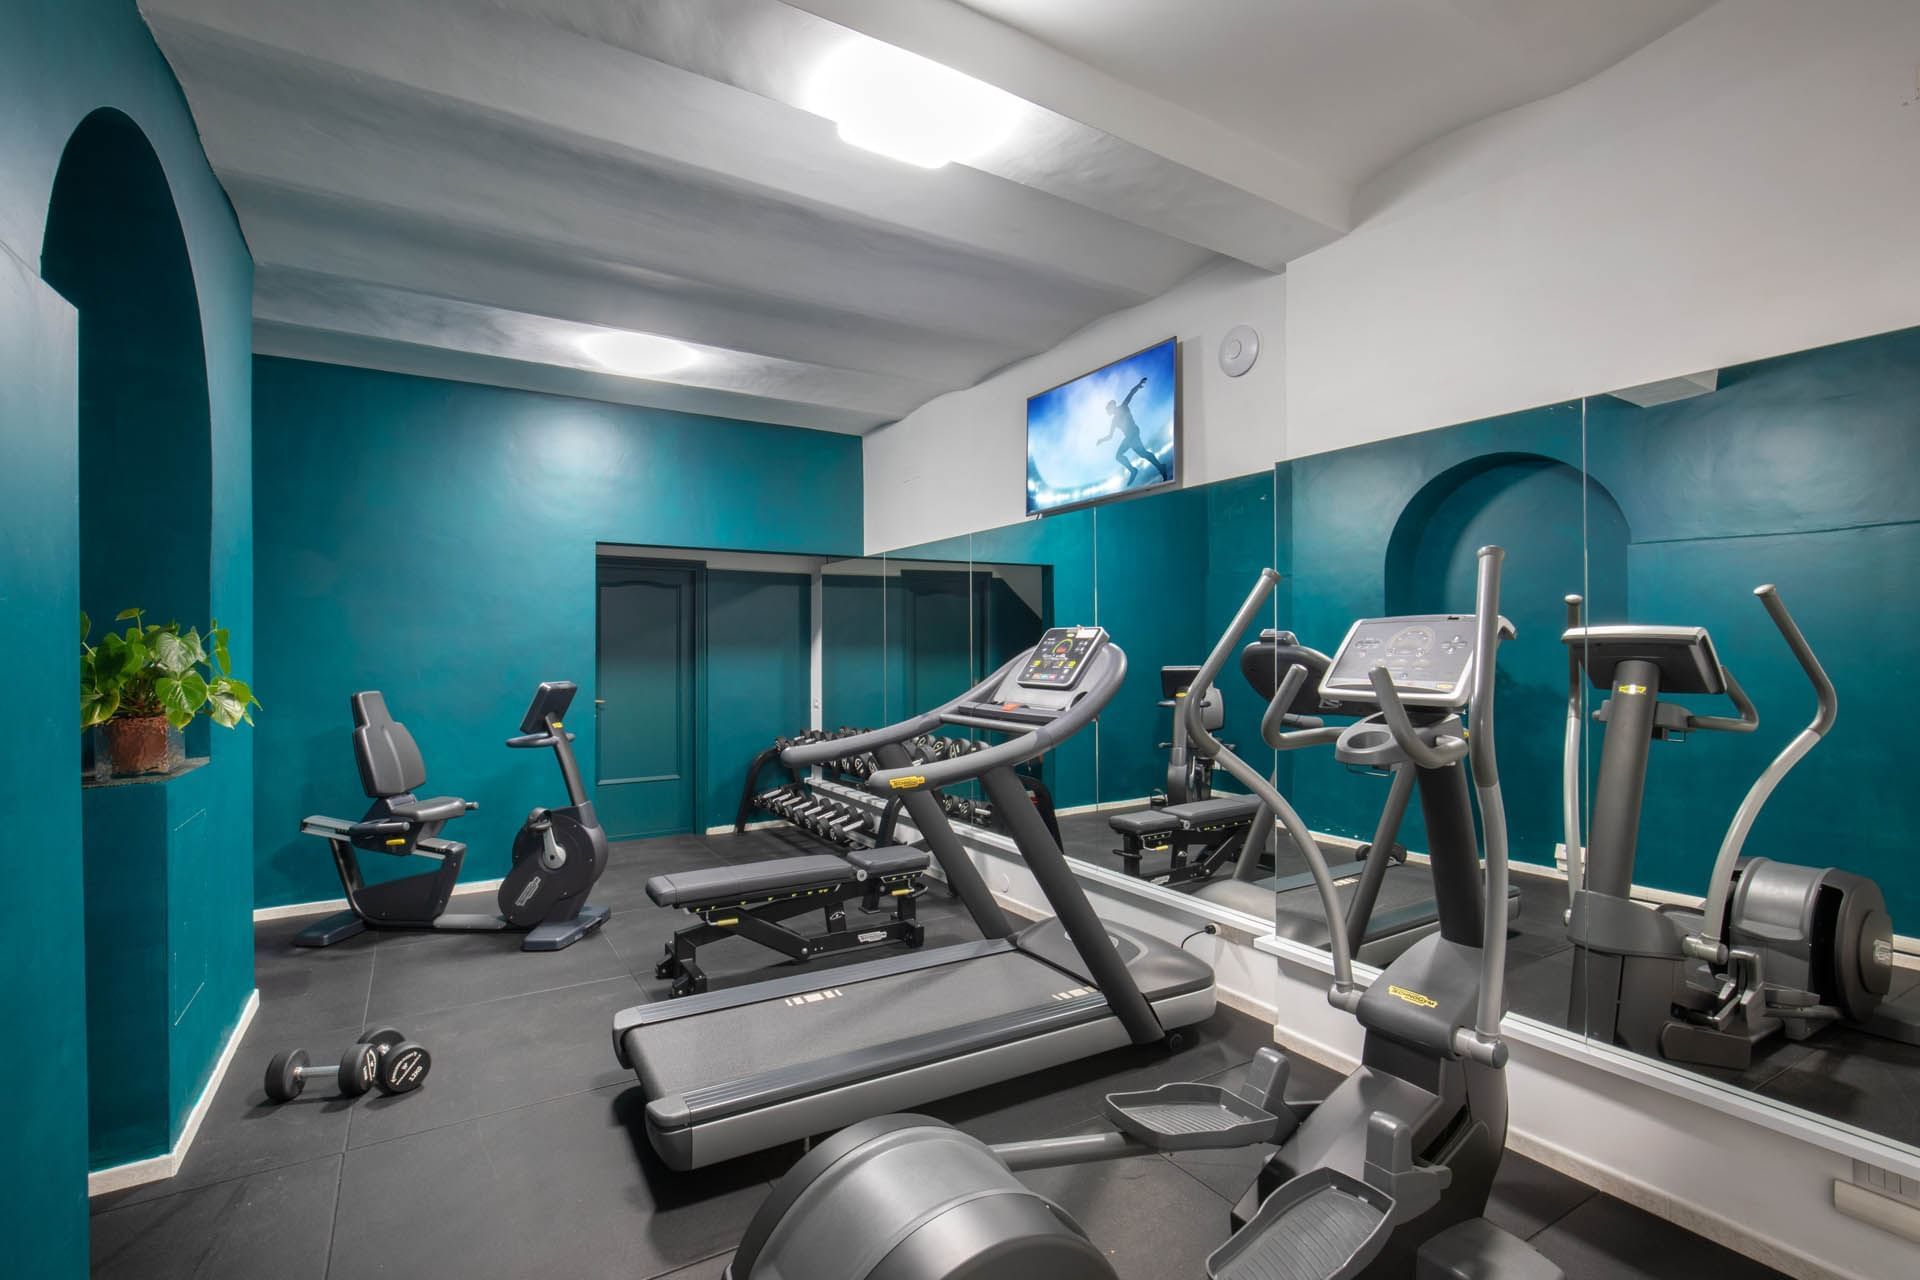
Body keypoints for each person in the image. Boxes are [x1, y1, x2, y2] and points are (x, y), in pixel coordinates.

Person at [1096, 376, 1171, 485]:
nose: (1108, 411)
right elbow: (1110, 436)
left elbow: (1131, 393)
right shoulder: (1113, 421)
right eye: (1108, 410)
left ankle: (1137, 470)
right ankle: (1154, 467)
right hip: (1129, 438)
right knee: (1140, 454)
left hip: (1133, 433)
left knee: (1140, 454)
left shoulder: (1123, 407)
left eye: (1109, 409)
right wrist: (1101, 440)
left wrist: (1139, 385)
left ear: (1113, 406)